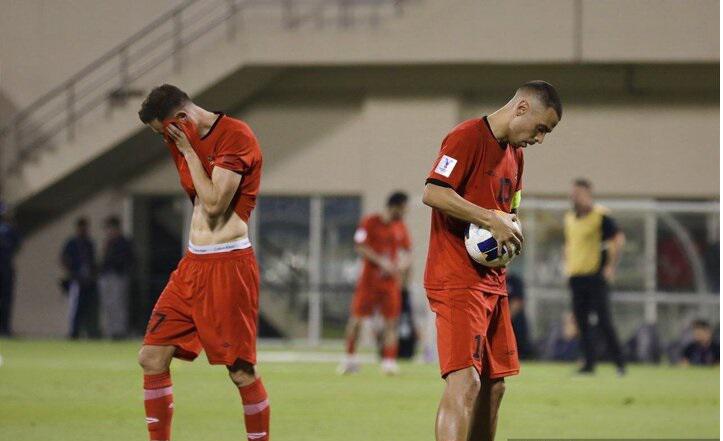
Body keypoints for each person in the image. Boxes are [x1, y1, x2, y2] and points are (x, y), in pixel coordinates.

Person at [422, 81, 561, 441]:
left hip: (493, 283)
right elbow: (433, 191)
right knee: (465, 380)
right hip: (456, 278)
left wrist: (511, 234)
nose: (540, 139)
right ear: (521, 108)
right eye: (541, 128)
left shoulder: (517, 155)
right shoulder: (466, 136)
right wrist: (488, 218)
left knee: (494, 386)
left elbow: (510, 213)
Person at [136, 84, 268, 441]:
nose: (164, 139)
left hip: (229, 266)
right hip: (193, 265)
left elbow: (213, 205)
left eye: (162, 131)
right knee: (151, 357)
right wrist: (184, 147)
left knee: (241, 372)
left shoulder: (235, 135)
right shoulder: (179, 140)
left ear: (180, 119)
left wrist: (189, 152)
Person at [338, 191, 412, 375]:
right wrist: (381, 262)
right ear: (395, 206)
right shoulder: (370, 222)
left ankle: (388, 362)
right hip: (369, 281)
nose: (405, 212)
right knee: (356, 320)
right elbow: (360, 245)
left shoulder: (400, 227)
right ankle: (349, 359)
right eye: (403, 208)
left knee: (391, 322)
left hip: (390, 284)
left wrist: (402, 265)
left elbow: (407, 251)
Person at [564, 178, 626, 375]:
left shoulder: (600, 216)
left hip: (595, 277)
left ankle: (619, 363)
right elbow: (569, 245)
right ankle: (589, 364)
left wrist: (610, 266)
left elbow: (617, 239)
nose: (575, 197)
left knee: (604, 321)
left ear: (588, 194)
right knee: (581, 322)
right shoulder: (570, 218)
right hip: (576, 277)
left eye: (579, 194)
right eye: (573, 194)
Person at [61, 217, 101, 339]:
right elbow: (64, 259)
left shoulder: (89, 243)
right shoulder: (72, 243)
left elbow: (93, 261)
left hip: (88, 281)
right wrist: (72, 273)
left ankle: (90, 332)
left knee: (89, 308)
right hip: (76, 280)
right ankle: (74, 332)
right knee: (74, 307)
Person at [98, 215, 134, 339]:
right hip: (106, 275)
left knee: (118, 303)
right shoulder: (108, 242)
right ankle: (110, 330)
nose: (108, 231)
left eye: (110, 228)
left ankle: (119, 331)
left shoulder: (123, 242)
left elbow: (128, 259)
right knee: (107, 304)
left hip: (118, 276)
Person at [0, 202, 21, 337]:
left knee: (6, 299)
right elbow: (17, 247)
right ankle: (4, 329)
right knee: (6, 299)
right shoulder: (10, 229)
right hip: (6, 267)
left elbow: (16, 246)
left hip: (6, 267)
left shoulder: (10, 229)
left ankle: (5, 328)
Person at [506, 274, 533, 360]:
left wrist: (504, 320)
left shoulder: (514, 281)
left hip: (516, 323)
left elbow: (517, 302)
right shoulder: (491, 280)